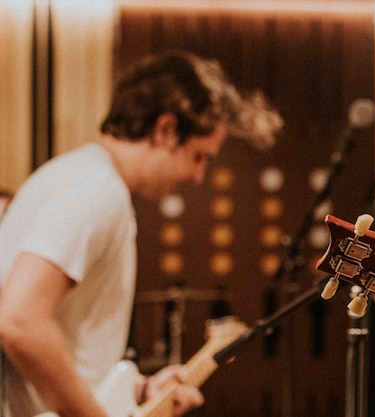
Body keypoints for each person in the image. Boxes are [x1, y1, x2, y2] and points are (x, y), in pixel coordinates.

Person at [0, 51, 282, 417]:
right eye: (199, 157)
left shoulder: (72, 175)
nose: (197, 177)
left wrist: (138, 389)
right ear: (165, 130)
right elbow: (20, 322)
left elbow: (67, 342)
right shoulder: (95, 190)